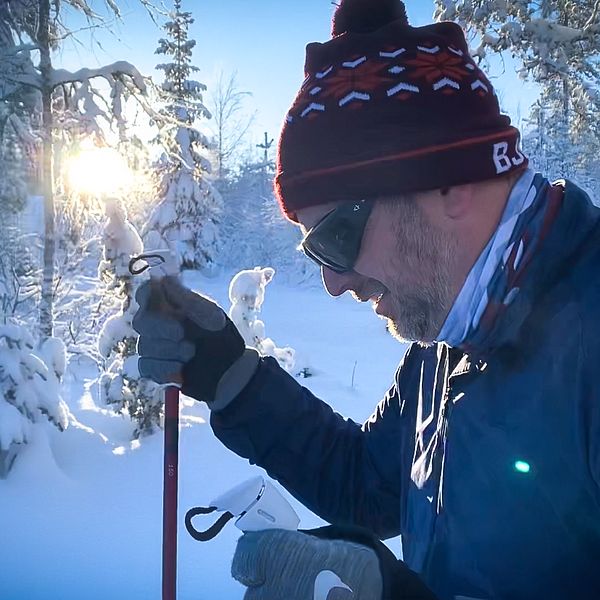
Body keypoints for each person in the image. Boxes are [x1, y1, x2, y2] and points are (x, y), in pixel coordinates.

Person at [132, 0, 600, 598]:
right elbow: (372, 486)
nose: (332, 281)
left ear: (447, 181)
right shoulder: (454, 333)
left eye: (337, 237)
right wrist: (233, 378)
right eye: (315, 252)